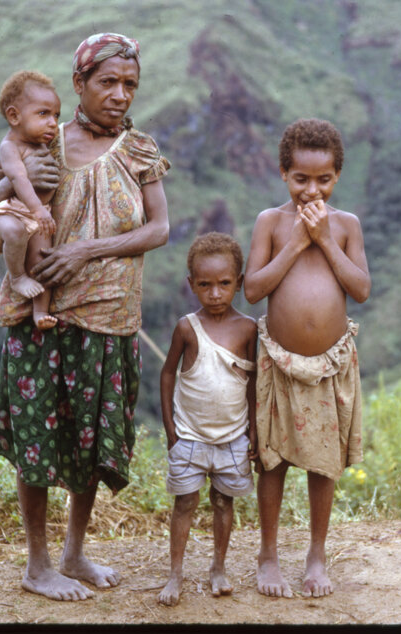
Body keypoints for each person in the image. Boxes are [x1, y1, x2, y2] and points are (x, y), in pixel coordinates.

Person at [0, 32, 171, 601]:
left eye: (130, 84)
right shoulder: (40, 139)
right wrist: (15, 187)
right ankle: (37, 565)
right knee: (37, 434)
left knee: (90, 439)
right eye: (107, 82)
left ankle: (74, 552)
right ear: (79, 84)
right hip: (44, 316)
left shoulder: (141, 151)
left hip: (111, 316)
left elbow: (159, 229)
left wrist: (86, 250)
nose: (120, 94)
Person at [243, 118, 370, 598]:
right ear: (283, 174)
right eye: (301, 179)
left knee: (323, 464)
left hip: (331, 366)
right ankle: (269, 555)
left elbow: (360, 288)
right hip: (278, 361)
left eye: (323, 180)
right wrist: (298, 240)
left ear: (337, 176)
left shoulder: (346, 226)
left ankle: (317, 555)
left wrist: (323, 241)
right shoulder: (271, 223)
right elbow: (254, 289)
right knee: (272, 462)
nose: (311, 190)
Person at [158, 232, 258, 606]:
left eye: (224, 284)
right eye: (205, 285)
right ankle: (175, 574)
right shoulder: (187, 327)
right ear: (192, 285)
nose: (215, 294)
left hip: (233, 437)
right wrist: (171, 430)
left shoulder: (248, 329)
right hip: (189, 437)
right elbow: (168, 373)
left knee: (223, 501)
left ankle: (218, 567)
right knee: (184, 503)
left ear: (239, 283)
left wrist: (254, 431)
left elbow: (252, 383)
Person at [0, 70, 62, 329]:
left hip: (39, 214)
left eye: (56, 116)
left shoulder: (42, 143)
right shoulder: (10, 147)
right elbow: (19, 179)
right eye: (43, 114)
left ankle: (40, 312)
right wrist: (39, 210)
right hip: (11, 213)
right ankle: (18, 277)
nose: (52, 122)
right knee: (14, 230)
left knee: (44, 261)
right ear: (14, 116)